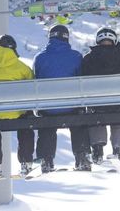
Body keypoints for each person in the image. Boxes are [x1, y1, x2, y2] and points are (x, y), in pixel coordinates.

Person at [33, 24, 91, 171]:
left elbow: (36, 79)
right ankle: (82, 156)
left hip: (48, 108)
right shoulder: (76, 56)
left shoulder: (40, 58)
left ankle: (46, 159)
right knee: (79, 123)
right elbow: (82, 79)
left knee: (46, 125)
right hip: (72, 106)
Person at [0, 34, 35, 177]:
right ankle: (26, 161)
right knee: (26, 125)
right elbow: (32, 87)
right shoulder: (22, 68)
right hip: (18, 112)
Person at [81, 27, 120, 163]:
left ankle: (97, 149)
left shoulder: (89, 58)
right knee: (118, 120)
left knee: (96, 118)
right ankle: (118, 149)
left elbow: (82, 78)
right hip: (117, 102)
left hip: (96, 103)